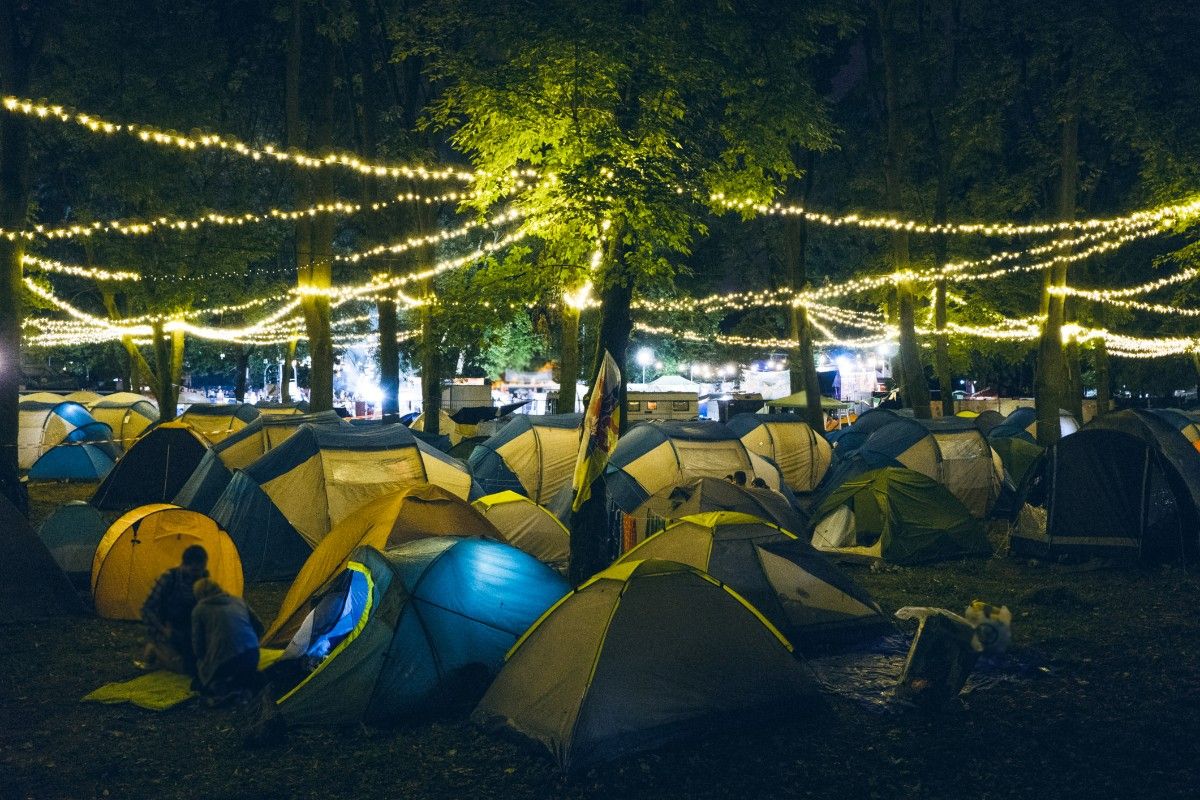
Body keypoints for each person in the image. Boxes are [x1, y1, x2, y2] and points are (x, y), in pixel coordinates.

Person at [190, 578, 264, 705]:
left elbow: (198, 646)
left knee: (201, 680)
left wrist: (204, 662)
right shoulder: (238, 601)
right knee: (241, 674)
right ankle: (244, 687)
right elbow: (259, 626)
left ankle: (222, 691)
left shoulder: (200, 609)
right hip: (252, 655)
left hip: (226, 662)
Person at [139, 545, 208, 674]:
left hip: (190, 632)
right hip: (168, 630)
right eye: (194, 570)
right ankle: (154, 648)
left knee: (203, 665)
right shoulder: (169, 578)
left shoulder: (203, 578)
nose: (197, 574)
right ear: (184, 565)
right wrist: (164, 631)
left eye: (200, 570)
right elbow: (147, 609)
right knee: (184, 669)